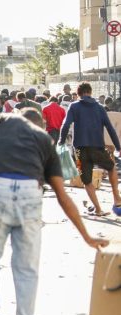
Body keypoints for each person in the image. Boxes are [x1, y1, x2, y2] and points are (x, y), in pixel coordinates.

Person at [0, 108, 108, 315]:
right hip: (30, 192)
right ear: (40, 125)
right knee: (26, 267)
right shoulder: (44, 141)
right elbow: (63, 196)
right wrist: (86, 235)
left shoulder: (5, 120)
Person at [58, 82, 121, 216]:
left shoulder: (74, 106)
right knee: (111, 167)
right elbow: (110, 128)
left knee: (86, 180)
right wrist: (118, 146)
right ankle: (116, 198)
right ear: (90, 92)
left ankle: (98, 209)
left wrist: (61, 142)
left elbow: (65, 125)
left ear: (79, 93)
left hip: (80, 151)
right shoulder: (99, 108)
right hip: (97, 147)